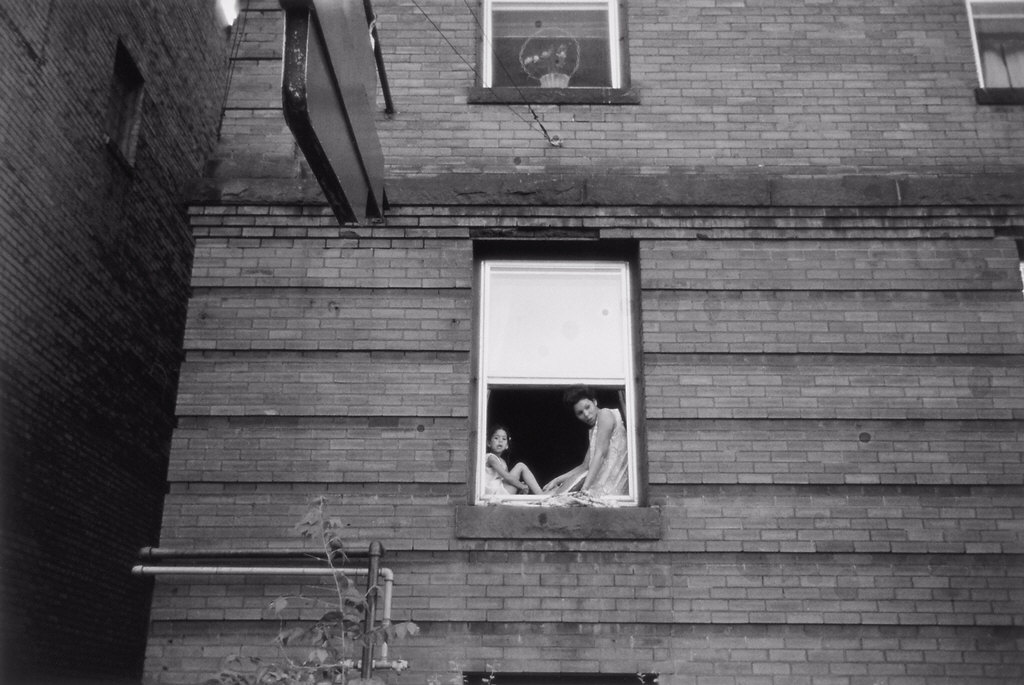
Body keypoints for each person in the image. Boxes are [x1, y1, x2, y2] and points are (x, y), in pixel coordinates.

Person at [543, 386, 628, 497]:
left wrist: (584, 489)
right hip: (600, 490)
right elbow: (585, 466)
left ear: (594, 401)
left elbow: (600, 454)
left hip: (610, 491)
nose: (586, 415)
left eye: (587, 407)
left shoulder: (604, 414)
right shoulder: (594, 430)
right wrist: (556, 480)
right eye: (580, 413)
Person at [481, 424, 544, 496]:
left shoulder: (503, 461)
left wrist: (519, 485)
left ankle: (540, 494)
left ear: (507, 446)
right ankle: (541, 494)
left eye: (504, 439)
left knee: (517, 481)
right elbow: (507, 477)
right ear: (488, 443)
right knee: (520, 466)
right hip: (494, 493)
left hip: (501, 491)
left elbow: (508, 479)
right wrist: (522, 486)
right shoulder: (491, 458)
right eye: (496, 438)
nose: (500, 441)